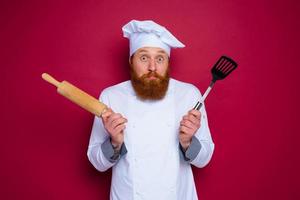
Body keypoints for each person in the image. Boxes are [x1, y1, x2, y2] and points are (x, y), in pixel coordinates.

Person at [87, 19, 214, 200]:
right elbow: (97, 163)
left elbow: (204, 159)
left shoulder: (189, 95)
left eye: (160, 58)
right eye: (144, 57)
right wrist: (114, 143)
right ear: (131, 61)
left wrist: (188, 142)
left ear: (168, 63)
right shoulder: (111, 97)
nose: (152, 67)